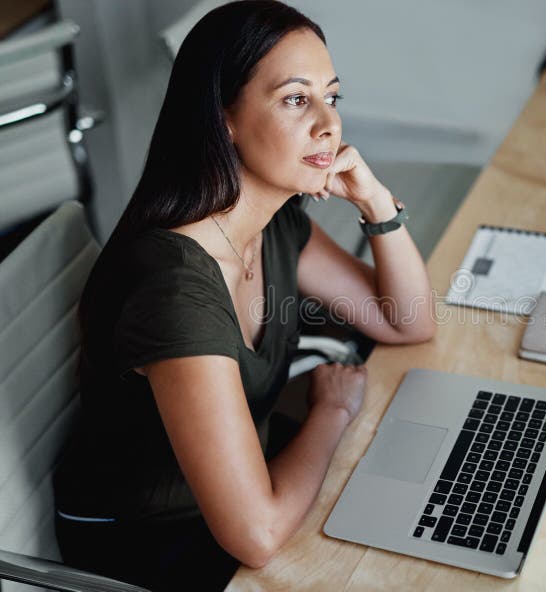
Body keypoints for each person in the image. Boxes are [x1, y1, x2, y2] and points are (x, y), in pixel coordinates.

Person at [52, 1, 435, 590]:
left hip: (243, 494)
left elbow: (408, 322)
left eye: (331, 97)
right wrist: (331, 410)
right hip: (153, 543)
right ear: (223, 117)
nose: (328, 124)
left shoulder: (271, 221)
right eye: (295, 99)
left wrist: (378, 206)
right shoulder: (174, 288)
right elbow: (254, 536)